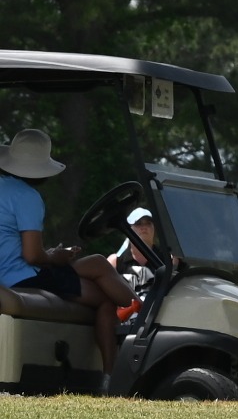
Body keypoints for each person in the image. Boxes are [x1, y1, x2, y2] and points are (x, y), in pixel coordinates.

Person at [0, 129, 136, 377]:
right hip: (20, 276)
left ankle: (110, 374)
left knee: (98, 270)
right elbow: (32, 256)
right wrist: (55, 257)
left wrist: (51, 254)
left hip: (14, 272)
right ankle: (142, 315)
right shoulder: (27, 196)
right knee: (100, 273)